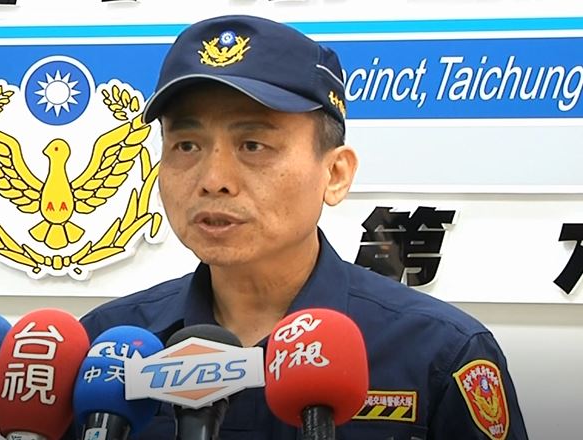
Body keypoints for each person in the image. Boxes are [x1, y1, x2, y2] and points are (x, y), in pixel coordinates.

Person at [77, 14, 529, 439]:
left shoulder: (439, 353)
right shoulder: (105, 351)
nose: (214, 180)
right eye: (187, 145)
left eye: (253, 145)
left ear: (335, 174)